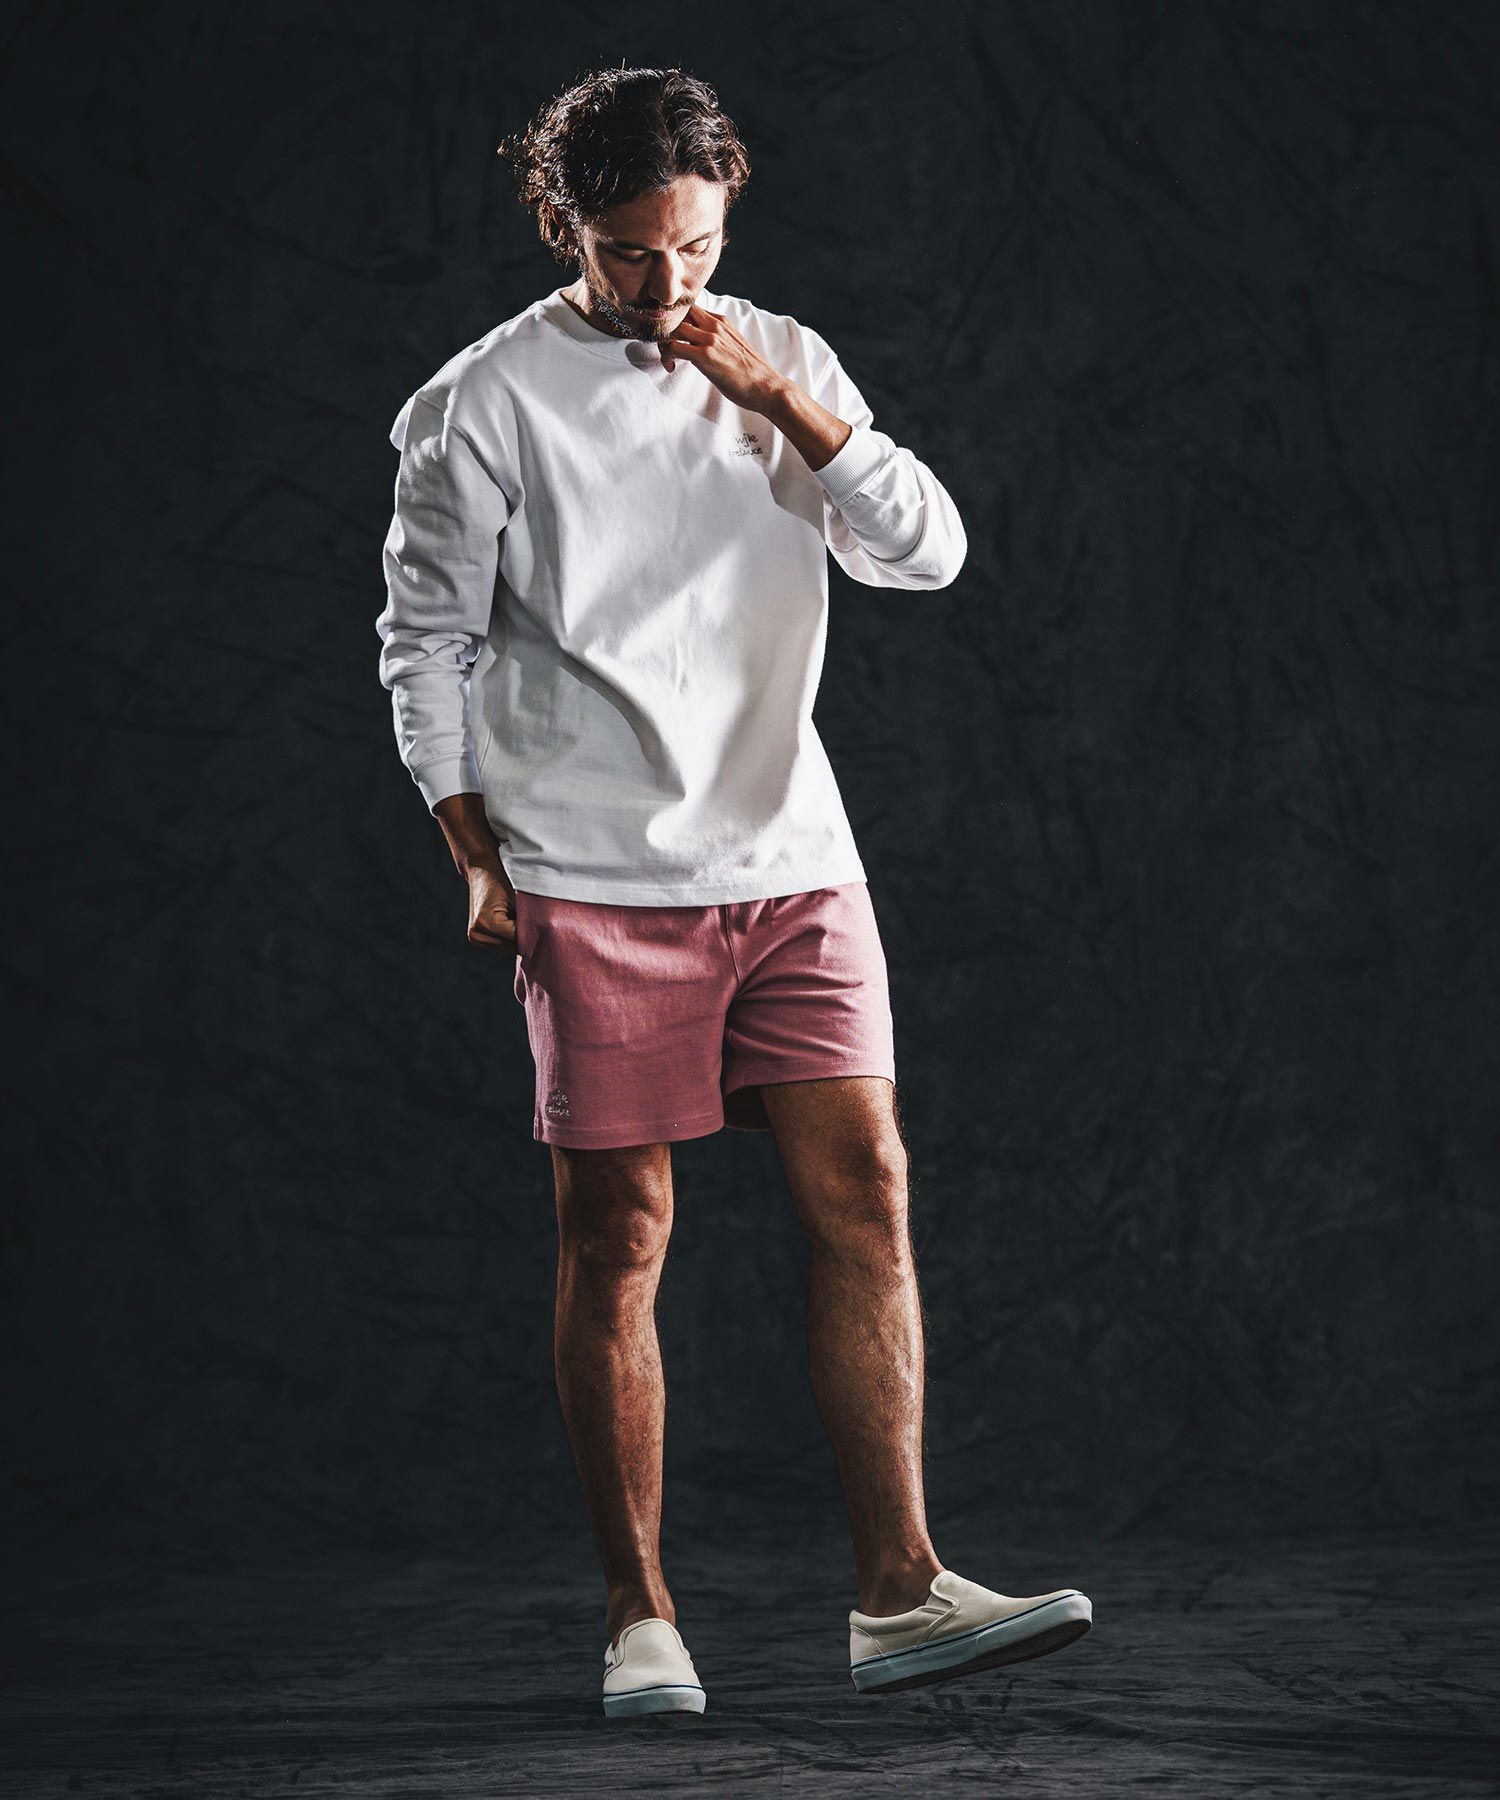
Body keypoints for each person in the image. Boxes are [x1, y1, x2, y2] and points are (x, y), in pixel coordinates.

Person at [376, 65, 1092, 1717]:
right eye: (631, 251)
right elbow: (426, 646)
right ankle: (641, 1619)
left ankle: (900, 1593)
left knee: (871, 1190)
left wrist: (785, 403)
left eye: (695, 245)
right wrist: (474, 852)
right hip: (589, 872)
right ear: (565, 225)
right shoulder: (479, 403)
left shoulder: (783, 358)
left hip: (789, 857)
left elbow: (929, 554)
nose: (668, 284)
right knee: (620, 1233)